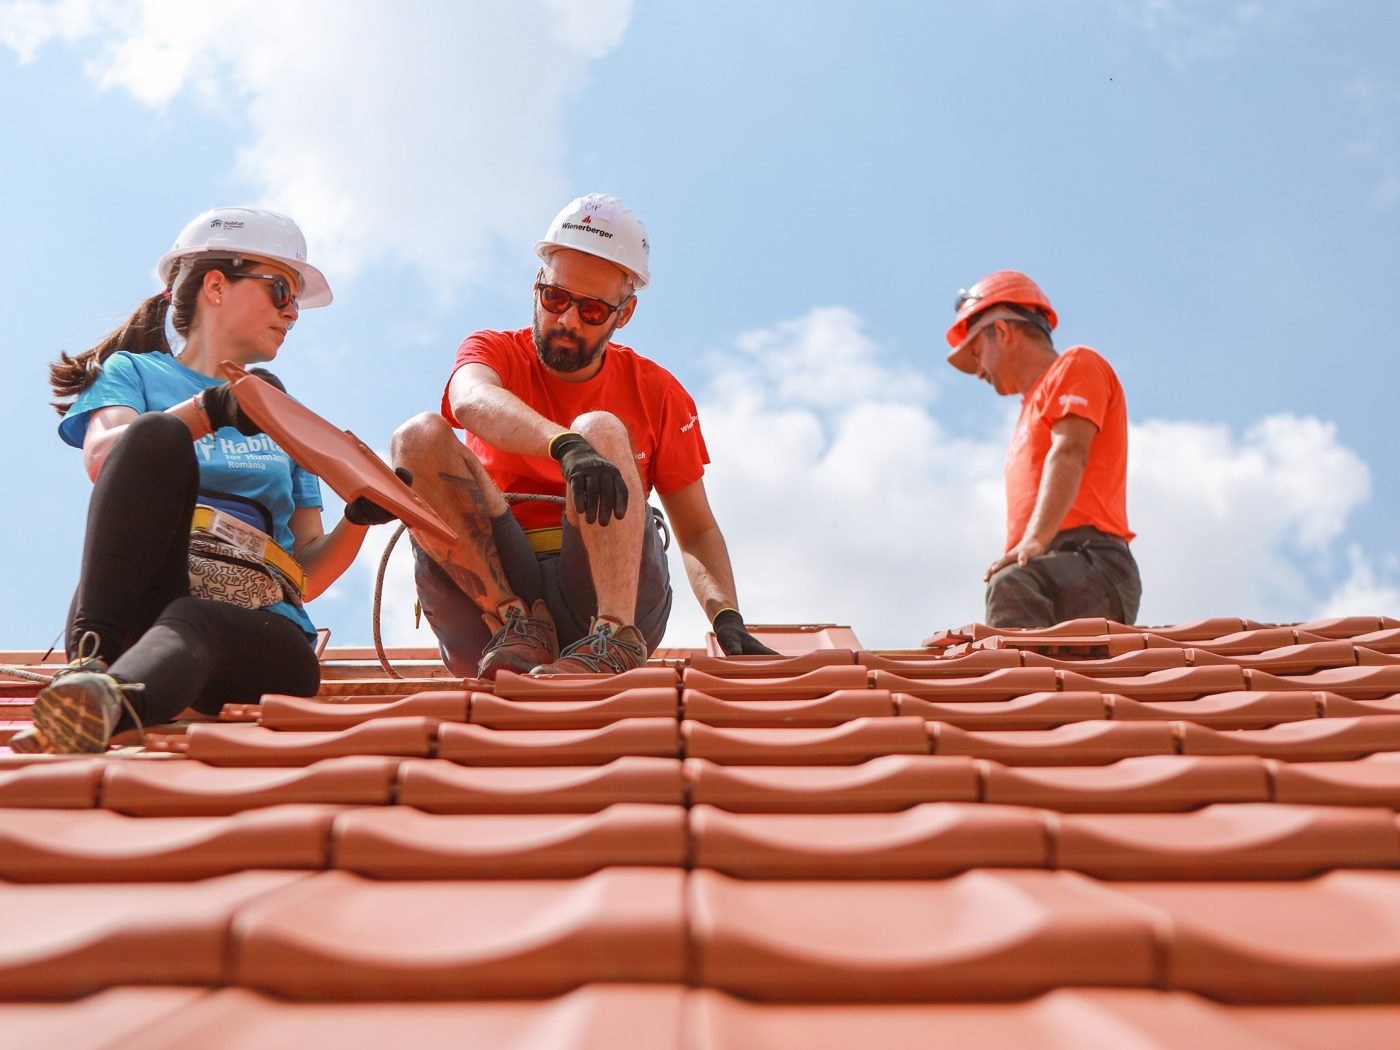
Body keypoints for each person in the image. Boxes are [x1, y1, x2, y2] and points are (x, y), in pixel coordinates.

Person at [18, 206, 399, 754]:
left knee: (193, 621)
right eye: (280, 292)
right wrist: (209, 411)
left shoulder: (284, 415)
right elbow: (107, 457)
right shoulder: (135, 373)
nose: (292, 314)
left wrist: (360, 516)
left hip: (260, 631)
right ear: (216, 286)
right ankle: (91, 666)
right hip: (141, 606)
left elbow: (307, 572)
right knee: (154, 436)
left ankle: (99, 704)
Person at [392, 193, 773, 677]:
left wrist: (727, 618)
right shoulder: (492, 349)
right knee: (417, 436)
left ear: (624, 314)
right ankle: (515, 623)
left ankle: (612, 638)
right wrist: (563, 446)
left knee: (600, 428)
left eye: (592, 310)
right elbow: (469, 401)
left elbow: (696, 527)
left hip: (605, 591)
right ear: (537, 287)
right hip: (494, 600)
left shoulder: (657, 391)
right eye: (556, 298)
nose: (567, 320)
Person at [945, 269, 1142, 628]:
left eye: (977, 351)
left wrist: (1033, 542)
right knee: (1009, 586)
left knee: (1011, 585)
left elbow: (1069, 452)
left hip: (1091, 561)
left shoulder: (1075, 364)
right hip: (1050, 565)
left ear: (1001, 332)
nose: (978, 371)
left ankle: (1014, 684)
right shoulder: (1028, 412)